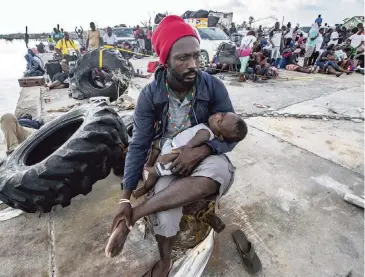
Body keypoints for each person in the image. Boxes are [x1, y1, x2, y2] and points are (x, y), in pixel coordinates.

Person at [105, 15, 239, 277]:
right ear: (165, 61)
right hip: (169, 157)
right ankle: (165, 262)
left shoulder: (213, 87)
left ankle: (137, 212)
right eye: (183, 58)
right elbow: (139, 144)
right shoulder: (150, 95)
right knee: (165, 218)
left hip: (206, 152)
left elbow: (231, 134)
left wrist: (200, 151)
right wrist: (125, 196)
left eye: (196, 56)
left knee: (219, 174)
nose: (193, 65)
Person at [132, 112, 246, 199]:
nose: (217, 117)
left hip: (175, 154)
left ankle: (147, 186)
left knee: (155, 172)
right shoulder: (206, 126)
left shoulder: (205, 133)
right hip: (171, 143)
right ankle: (149, 164)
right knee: (156, 144)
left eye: (219, 122)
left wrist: (170, 156)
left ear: (220, 137)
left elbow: (187, 149)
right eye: (222, 114)